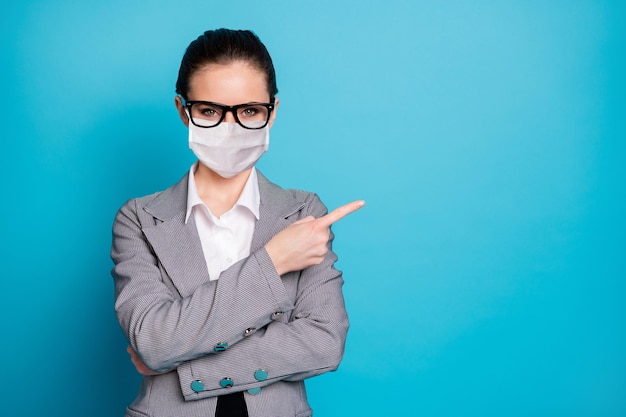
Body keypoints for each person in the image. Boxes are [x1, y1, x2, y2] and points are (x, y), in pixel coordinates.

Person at [110, 28, 364, 417]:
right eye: (210, 111)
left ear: (272, 112)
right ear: (183, 110)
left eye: (248, 111)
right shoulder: (139, 219)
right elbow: (153, 340)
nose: (230, 129)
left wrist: (183, 366)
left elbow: (324, 343)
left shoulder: (303, 213)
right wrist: (273, 261)